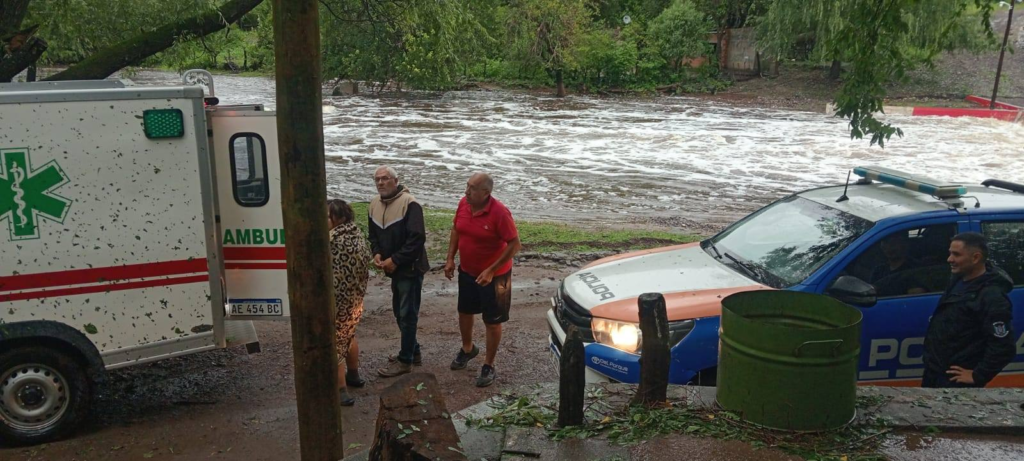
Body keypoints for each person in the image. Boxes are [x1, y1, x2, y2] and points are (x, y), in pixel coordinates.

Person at [444, 172, 521, 387]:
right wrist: (450, 258)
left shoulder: (500, 213)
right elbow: (456, 229)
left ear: (486, 193)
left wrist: (491, 270)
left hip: (496, 277)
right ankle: (468, 349)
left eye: (472, 188)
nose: (466, 191)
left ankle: (489, 364)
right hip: (468, 271)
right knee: (465, 311)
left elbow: (515, 244)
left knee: (492, 321)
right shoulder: (464, 204)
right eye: (467, 186)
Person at [922, 232, 1015, 388]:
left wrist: (978, 375)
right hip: (936, 374)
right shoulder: (958, 280)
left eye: (956, 254)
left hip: (955, 381)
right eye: (950, 253)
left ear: (976, 258)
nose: (949, 259)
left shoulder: (991, 297)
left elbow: (1003, 346)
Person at [368, 166, 429, 378]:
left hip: (410, 269)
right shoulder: (374, 204)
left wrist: (395, 260)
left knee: (407, 314)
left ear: (396, 181)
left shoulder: (410, 204)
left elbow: (417, 239)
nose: (380, 183)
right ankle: (413, 351)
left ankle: (405, 361)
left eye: (385, 178)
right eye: (377, 179)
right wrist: (377, 253)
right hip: (393, 268)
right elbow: (373, 235)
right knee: (399, 312)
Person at [328, 199, 371, 406]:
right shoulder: (357, 235)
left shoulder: (334, 241)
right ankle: (353, 374)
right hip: (355, 300)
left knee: (335, 343)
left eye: (327, 217)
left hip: (338, 302)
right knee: (349, 335)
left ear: (339, 219)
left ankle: (341, 390)